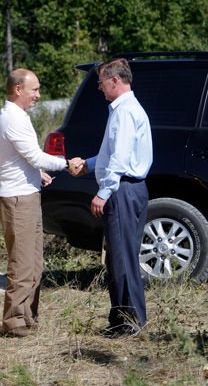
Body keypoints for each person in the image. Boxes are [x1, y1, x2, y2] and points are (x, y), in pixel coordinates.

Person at [0, 68, 82, 337]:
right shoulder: (12, 118)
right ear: (18, 89)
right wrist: (66, 164)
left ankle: (29, 316)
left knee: (34, 263)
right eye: (34, 89)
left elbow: (18, 157)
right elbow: (35, 155)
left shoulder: (17, 116)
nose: (38, 95)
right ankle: (14, 322)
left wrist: (37, 173)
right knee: (21, 264)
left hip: (27, 194)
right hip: (17, 199)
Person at [75, 58, 152, 337]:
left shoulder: (124, 112)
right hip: (127, 188)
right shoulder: (124, 109)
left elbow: (119, 159)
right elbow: (114, 153)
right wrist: (91, 164)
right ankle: (122, 319)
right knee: (120, 258)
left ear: (115, 81)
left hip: (123, 190)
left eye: (101, 81)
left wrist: (103, 193)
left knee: (122, 258)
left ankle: (129, 323)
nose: (99, 87)